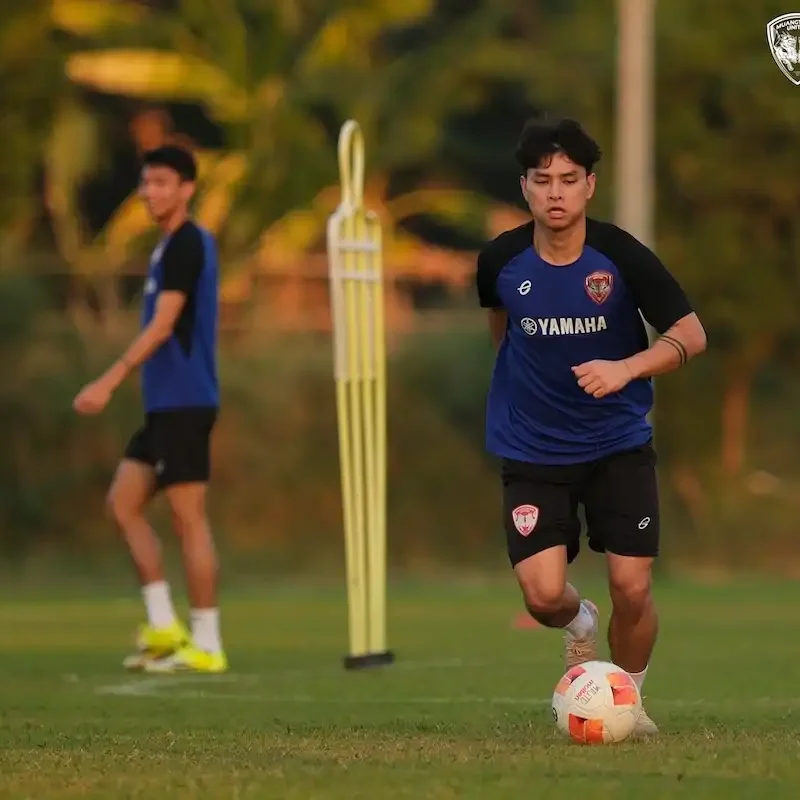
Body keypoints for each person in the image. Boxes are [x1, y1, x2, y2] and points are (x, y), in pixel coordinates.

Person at [476, 118, 706, 736]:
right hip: (532, 449)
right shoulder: (499, 261)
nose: (555, 192)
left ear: (589, 185)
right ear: (525, 187)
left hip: (616, 446)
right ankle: (580, 622)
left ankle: (627, 700)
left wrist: (626, 368)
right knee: (541, 596)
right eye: (543, 179)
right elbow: (502, 333)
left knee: (632, 586)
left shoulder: (622, 257)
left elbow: (691, 335)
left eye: (568, 179)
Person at [73, 145, 227, 674]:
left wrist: (109, 379)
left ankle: (207, 643)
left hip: (186, 400)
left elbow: (163, 326)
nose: (150, 192)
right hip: (164, 405)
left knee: (188, 519)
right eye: (146, 182)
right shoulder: (164, 247)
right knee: (123, 503)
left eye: (162, 182)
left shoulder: (188, 243)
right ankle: (163, 626)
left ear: (186, 189)